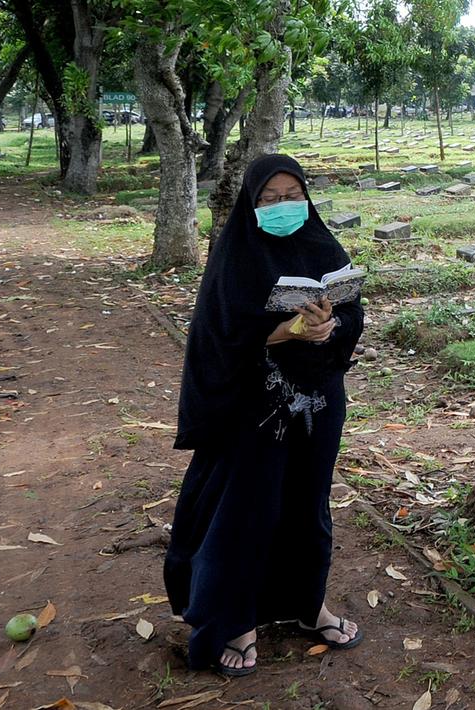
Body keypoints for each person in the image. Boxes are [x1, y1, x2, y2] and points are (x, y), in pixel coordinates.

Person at [164, 154, 365, 677]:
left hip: (317, 404)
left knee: (307, 503)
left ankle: (308, 605)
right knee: (248, 510)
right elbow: (218, 336)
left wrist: (328, 328)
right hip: (252, 409)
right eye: (270, 199)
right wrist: (279, 332)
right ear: (251, 205)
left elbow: (352, 314)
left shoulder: (323, 244)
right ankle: (238, 618)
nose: (283, 206)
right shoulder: (236, 257)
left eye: (292, 195)